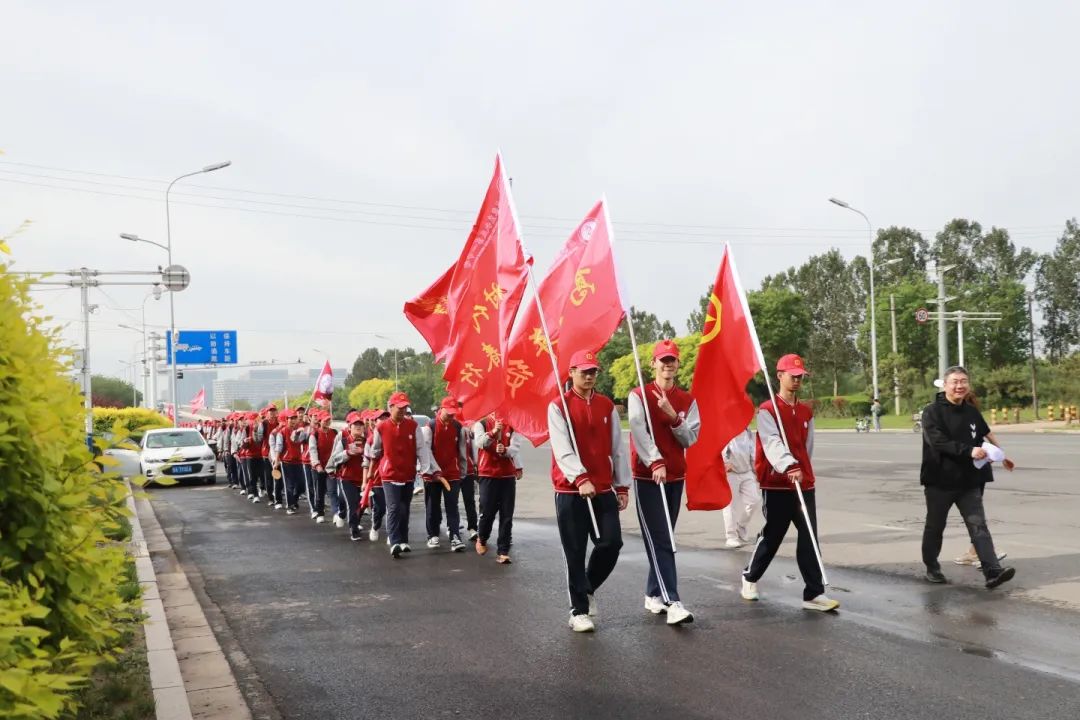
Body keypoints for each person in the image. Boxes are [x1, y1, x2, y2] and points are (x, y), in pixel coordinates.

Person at [741, 354, 839, 612]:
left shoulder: (807, 410)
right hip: (776, 483)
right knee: (773, 535)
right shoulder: (767, 410)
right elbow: (771, 442)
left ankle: (814, 593)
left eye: (800, 376)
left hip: (803, 483)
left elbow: (808, 446)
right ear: (780, 376)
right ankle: (750, 577)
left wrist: (802, 468)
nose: (796, 380)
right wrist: (789, 465)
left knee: (809, 536)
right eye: (792, 376)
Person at [549, 349, 629, 633]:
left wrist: (622, 485)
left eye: (593, 370)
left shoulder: (607, 405)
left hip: (604, 488)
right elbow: (561, 448)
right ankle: (578, 610)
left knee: (611, 544)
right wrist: (579, 477)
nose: (589, 375)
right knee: (574, 551)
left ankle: (587, 587)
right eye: (583, 371)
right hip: (571, 491)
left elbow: (618, 448)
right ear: (571, 373)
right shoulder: (559, 406)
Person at [920, 365, 1016, 588]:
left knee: (978, 525)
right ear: (945, 385)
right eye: (955, 381)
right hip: (939, 480)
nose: (959, 385)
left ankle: (992, 572)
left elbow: (983, 434)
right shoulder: (932, 411)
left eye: (963, 381)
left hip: (969, 480)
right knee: (935, 526)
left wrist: (1000, 455)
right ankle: (932, 567)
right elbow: (938, 441)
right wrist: (969, 450)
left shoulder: (971, 411)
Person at [628, 339, 700, 626]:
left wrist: (673, 416)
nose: (668, 365)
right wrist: (654, 460)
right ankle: (673, 600)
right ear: (653, 364)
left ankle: (652, 593)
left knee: (663, 535)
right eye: (663, 360)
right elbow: (638, 431)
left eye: (672, 360)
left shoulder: (687, 400)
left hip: (675, 476)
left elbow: (691, 438)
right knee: (663, 540)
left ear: (678, 365)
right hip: (648, 477)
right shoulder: (638, 395)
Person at [368, 392, 429, 558]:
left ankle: (403, 540)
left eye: (405, 407)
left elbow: (421, 448)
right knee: (394, 507)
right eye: (399, 407)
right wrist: (371, 470)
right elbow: (376, 450)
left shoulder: (413, 426)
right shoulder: (381, 427)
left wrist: (424, 468)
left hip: (408, 473)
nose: (403, 410)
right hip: (389, 474)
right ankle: (394, 541)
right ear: (391, 407)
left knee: (404, 508)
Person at [472, 411, 523, 563]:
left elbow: (516, 447)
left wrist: (506, 451)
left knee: (507, 515)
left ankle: (503, 551)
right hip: (488, 474)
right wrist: (493, 432)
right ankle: (482, 538)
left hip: (507, 475)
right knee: (487, 512)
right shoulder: (481, 424)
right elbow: (480, 443)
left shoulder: (512, 426)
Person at [421, 397, 468, 552]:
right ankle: (433, 535)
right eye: (449, 412)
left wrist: (463, 471)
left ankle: (455, 536)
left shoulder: (458, 427)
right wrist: (434, 470)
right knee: (433, 505)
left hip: (451, 473)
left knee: (452, 505)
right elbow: (426, 451)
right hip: (433, 474)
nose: (451, 416)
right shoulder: (431, 427)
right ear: (441, 409)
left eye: (454, 413)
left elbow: (461, 451)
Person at [328, 411, 368, 541]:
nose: (358, 427)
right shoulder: (344, 442)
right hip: (347, 479)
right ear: (349, 427)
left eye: (361, 424)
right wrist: (347, 453)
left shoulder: (367, 442)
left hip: (363, 479)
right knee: (352, 503)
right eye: (355, 424)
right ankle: (354, 529)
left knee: (362, 505)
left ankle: (355, 521)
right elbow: (335, 459)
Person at [722, 425, 759, 548]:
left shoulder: (747, 432)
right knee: (730, 505)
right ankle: (731, 537)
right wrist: (726, 463)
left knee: (754, 501)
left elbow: (752, 451)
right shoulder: (727, 430)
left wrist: (756, 469)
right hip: (731, 473)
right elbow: (721, 448)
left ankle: (741, 526)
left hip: (746, 471)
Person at [307, 411, 337, 523]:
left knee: (333, 491)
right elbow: (313, 450)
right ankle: (320, 512)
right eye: (325, 420)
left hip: (331, 468)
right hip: (318, 468)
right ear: (320, 421)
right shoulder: (314, 434)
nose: (327, 422)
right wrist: (317, 464)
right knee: (319, 491)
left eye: (329, 419)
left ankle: (335, 513)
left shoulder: (334, 432)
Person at [279, 409, 306, 514]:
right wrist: (276, 459)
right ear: (287, 420)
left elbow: (300, 440)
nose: (293, 421)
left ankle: (294, 500)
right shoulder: (283, 431)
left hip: (298, 460)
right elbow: (279, 446)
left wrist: (300, 432)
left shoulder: (301, 430)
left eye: (295, 418)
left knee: (301, 485)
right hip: (287, 461)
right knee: (289, 485)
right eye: (291, 419)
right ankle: (290, 506)